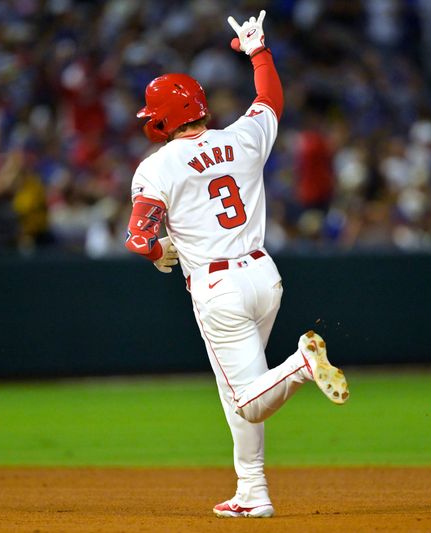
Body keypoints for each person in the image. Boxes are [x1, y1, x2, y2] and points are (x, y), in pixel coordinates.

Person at [124, 11, 349, 518]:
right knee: (239, 394)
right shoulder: (241, 138)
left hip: (217, 287)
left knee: (248, 398)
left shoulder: (156, 167)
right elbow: (270, 100)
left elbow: (139, 238)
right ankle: (253, 492)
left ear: (162, 118)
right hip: (264, 274)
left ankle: (300, 365)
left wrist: (161, 253)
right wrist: (258, 52)